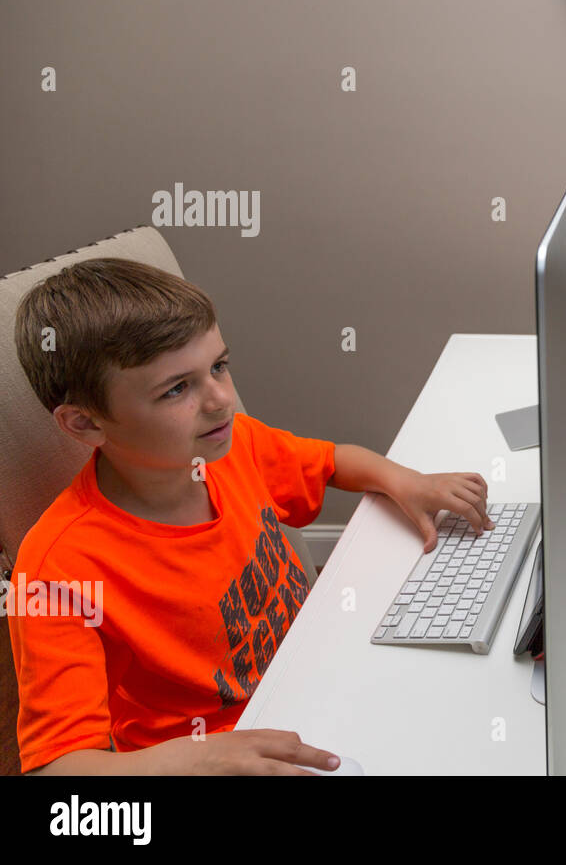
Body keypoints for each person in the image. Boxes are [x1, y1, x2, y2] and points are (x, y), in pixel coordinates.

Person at [10, 257, 493, 773]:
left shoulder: (230, 446)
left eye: (218, 366)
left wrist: (405, 480)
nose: (222, 400)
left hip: (319, 680)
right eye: (177, 389)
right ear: (85, 423)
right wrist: (202, 758)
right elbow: (54, 768)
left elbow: (332, 461)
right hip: (219, 757)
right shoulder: (56, 571)